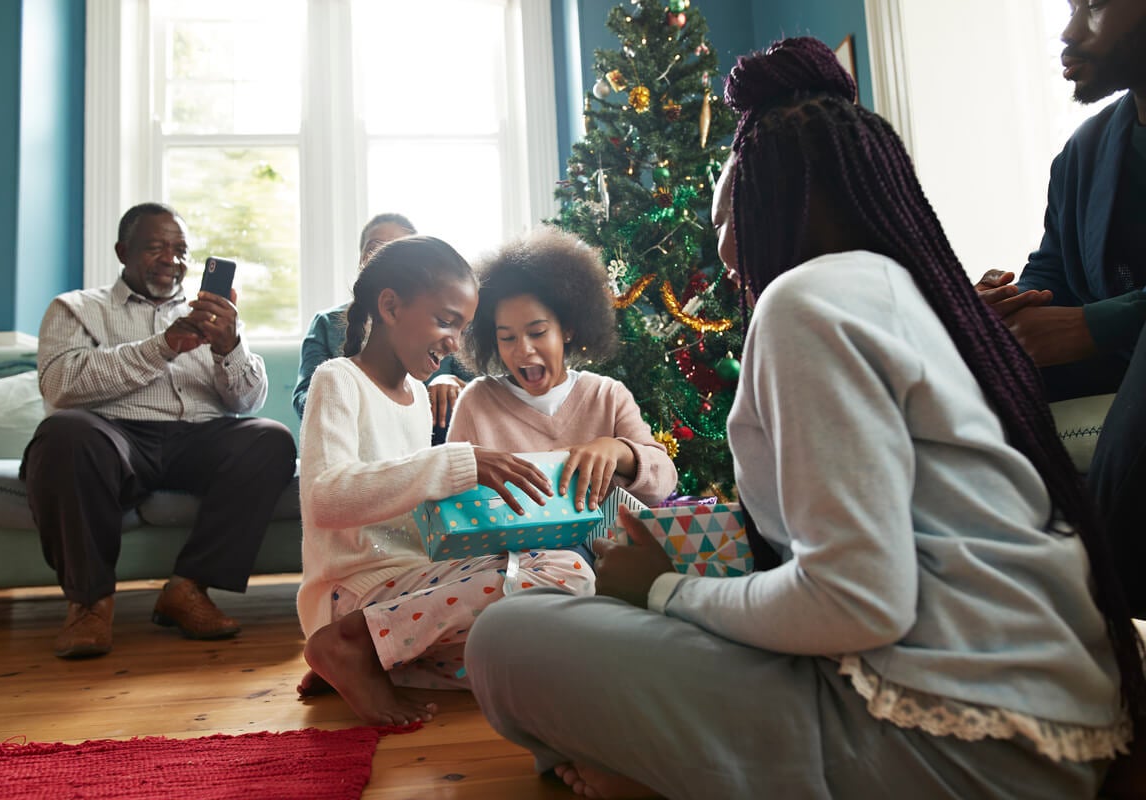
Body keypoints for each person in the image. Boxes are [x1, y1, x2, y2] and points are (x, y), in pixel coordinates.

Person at [464, 38, 1145, 799]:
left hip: (958, 748)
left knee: (506, 637)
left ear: (771, 200)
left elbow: (855, 601)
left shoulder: (805, 303)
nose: (722, 250)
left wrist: (664, 591)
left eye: (725, 217)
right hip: (1059, 722)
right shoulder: (898, 289)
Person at [297, 234, 596, 725]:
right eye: (444, 321)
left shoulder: (418, 399)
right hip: (351, 593)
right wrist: (457, 464)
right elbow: (327, 500)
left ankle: (371, 661)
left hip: (412, 591)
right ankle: (350, 643)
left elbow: (409, 508)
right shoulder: (338, 380)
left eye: (462, 328)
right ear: (390, 306)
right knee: (556, 573)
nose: (454, 343)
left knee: (541, 625)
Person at [22, 202, 297, 659]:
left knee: (269, 437)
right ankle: (89, 604)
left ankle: (189, 589)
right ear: (122, 251)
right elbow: (61, 385)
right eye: (156, 247)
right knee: (64, 433)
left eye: (182, 249)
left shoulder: (214, 314)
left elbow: (248, 401)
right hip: (113, 436)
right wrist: (165, 345)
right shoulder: (75, 308)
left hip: (199, 437)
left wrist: (230, 346)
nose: (172, 258)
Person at [975, 0, 1146, 615]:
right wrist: (999, 308)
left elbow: (1087, 321)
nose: (1070, 32)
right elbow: (1054, 278)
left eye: (1094, 5)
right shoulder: (1084, 154)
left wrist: (1096, 325)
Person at [447, 227, 677, 517]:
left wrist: (617, 451)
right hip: (513, 559)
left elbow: (664, 481)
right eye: (507, 338)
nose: (523, 350)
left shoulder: (607, 395)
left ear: (567, 329)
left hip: (606, 556)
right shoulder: (477, 402)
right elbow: (453, 497)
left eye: (538, 332)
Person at [292, 213, 471, 443]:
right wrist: (367, 399)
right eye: (375, 249)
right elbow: (305, 401)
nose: (388, 258)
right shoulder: (326, 325)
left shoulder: (442, 326)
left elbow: (481, 395)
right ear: (361, 261)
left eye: (399, 251)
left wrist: (450, 382)